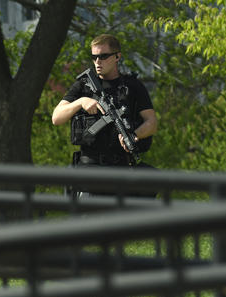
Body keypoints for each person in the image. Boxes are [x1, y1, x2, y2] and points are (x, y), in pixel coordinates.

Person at [52, 34, 158, 195]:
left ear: (117, 57)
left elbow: (151, 122)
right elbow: (56, 117)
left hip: (121, 169)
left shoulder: (132, 86)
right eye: (94, 57)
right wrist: (81, 102)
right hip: (89, 171)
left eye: (103, 56)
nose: (97, 62)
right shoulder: (83, 86)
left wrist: (135, 134)